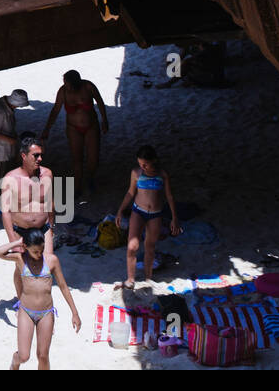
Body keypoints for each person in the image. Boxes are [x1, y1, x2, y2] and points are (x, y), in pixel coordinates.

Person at [0, 229, 81, 369]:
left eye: (41, 250)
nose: (39, 254)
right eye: (35, 251)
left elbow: (64, 287)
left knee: (43, 355)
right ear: (25, 247)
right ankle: (14, 363)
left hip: (46, 313)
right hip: (26, 312)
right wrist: (17, 242)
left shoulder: (52, 260)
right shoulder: (20, 259)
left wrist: (75, 313)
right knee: (24, 356)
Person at [116, 145, 181, 288]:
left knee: (150, 247)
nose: (142, 166)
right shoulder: (136, 173)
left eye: (145, 163)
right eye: (140, 163)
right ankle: (130, 280)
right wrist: (120, 210)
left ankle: (147, 278)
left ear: (154, 160)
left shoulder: (163, 175)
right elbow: (130, 193)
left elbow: (170, 197)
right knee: (132, 246)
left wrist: (174, 218)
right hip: (138, 211)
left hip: (156, 214)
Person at [0, 134, 57, 295]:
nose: (39, 159)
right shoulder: (10, 179)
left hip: (43, 228)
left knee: (47, 265)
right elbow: (5, 212)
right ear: (24, 156)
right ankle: (21, 300)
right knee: (21, 268)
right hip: (21, 230)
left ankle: (43, 300)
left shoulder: (47, 174)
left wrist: (52, 226)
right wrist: (12, 239)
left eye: (41, 155)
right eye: (35, 155)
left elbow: (50, 202)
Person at [40, 69, 108, 198]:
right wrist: (47, 128)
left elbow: (100, 102)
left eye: (67, 83)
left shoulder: (88, 86)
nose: (65, 85)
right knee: (77, 159)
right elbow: (55, 110)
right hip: (73, 128)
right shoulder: (63, 91)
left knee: (93, 158)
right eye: (64, 82)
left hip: (91, 126)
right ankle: (77, 186)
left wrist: (105, 120)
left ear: (75, 82)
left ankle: (90, 179)